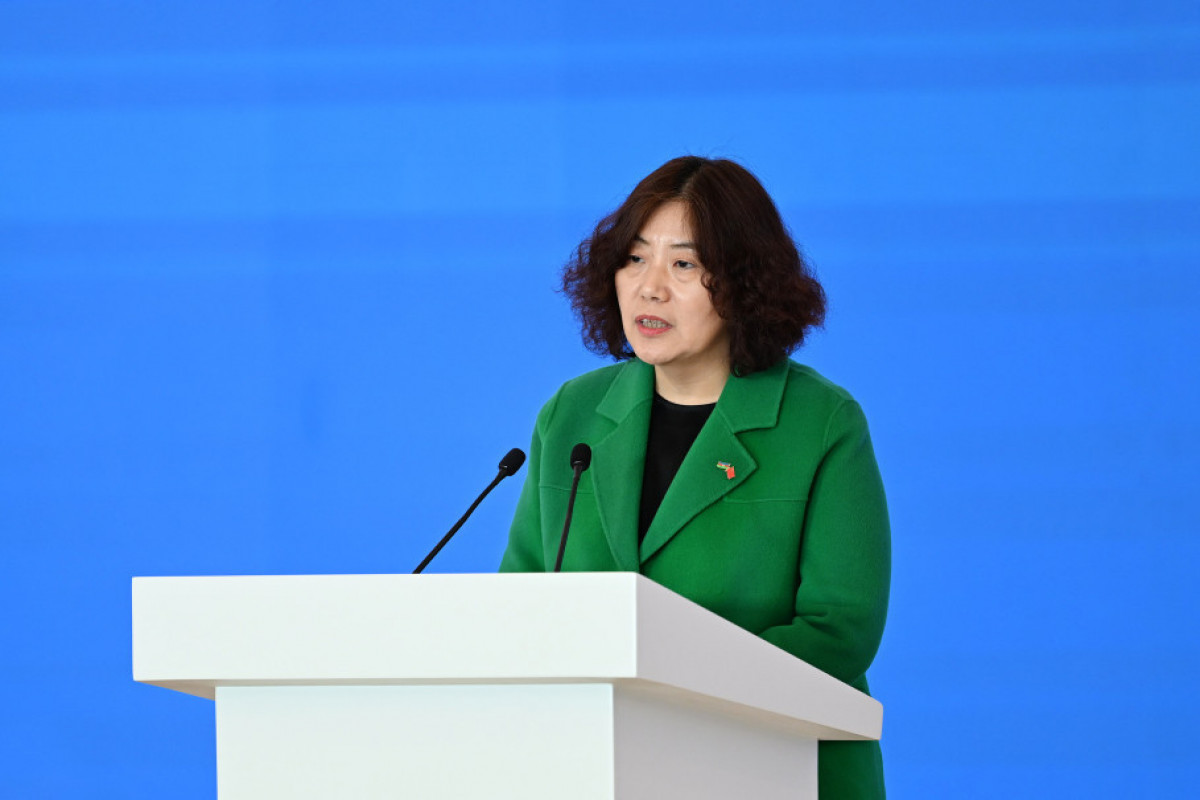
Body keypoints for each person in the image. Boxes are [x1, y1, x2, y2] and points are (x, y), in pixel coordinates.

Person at [499, 156, 890, 799]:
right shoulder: (572, 414)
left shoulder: (821, 423)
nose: (650, 287)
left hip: (773, 768)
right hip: (597, 768)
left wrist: (667, 692)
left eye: (683, 264)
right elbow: (520, 604)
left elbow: (839, 629)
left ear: (744, 279)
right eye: (634, 258)